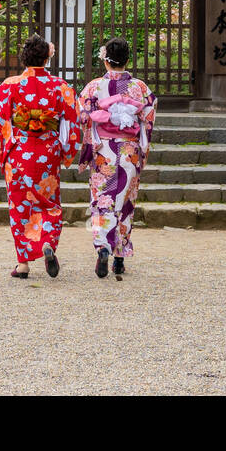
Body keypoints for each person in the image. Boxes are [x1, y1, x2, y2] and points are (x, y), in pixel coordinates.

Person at [0, 34, 81, 279]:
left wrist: (10, 142)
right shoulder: (61, 87)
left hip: (20, 152)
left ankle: (23, 264)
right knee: (48, 202)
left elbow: (1, 118)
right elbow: (72, 120)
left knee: (20, 206)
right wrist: (67, 151)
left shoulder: (9, 85)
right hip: (47, 153)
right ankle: (47, 243)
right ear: (48, 57)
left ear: (24, 57)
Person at [76, 36, 158, 278]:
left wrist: (92, 138)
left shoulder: (93, 87)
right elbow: (148, 118)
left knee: (102, 199)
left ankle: (103, 247)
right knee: (124, 200)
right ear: (127, 59)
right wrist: (142, 149)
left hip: (104, 149)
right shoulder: (140, 88)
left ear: (105, 60)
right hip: (129, 150)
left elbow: (82, 115)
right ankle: (119, 258)